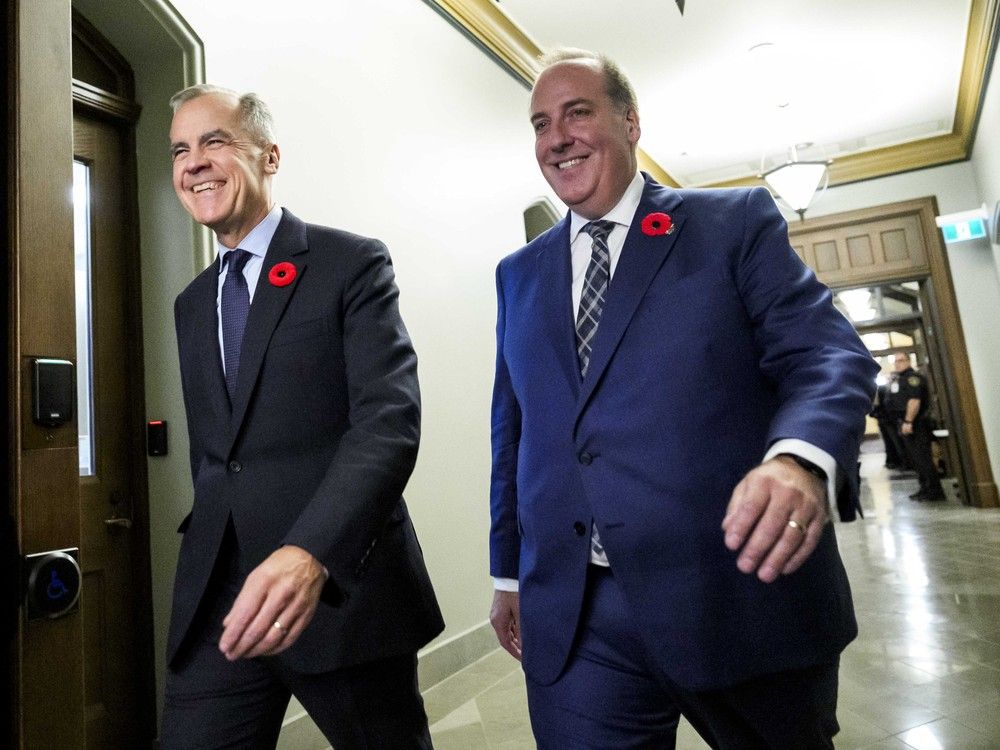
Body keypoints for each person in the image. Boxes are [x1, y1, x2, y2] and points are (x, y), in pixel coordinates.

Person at [488, 49, 878, 749]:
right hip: (580, 612)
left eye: (578, 112)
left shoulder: (730, 224)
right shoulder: (519, 273)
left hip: (734, 594)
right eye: (541, 123)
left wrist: (797, 460)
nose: (557, 137)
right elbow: (514, 430)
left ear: (631, 121)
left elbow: (825, 353)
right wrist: (508, 570)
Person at [162, 85, 443, 749]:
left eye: (214, 141)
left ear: (270, 155)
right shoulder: (191, 303)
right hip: (223, 598)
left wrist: (311, 550)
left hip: (337, 585)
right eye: (180, 149)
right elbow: (220, 454)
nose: (194, 162)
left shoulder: (349, 263)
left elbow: (388, 421)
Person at [889, 353, 945, 501]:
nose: (897, 364)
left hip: (916, 424)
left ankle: (934, 491)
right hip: (906, 423)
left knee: (923, 458)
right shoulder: (900, 379)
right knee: (915, 459)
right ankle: (925, 488)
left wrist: (908, 422)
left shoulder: (913, 378)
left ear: (909, 361)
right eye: (895, 361)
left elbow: (914, 401)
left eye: (901, 360)